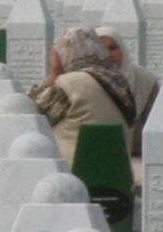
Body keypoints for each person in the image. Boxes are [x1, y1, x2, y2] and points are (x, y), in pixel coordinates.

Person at [30, 26, 155, 169]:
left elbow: (32, 113)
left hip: (75, 171)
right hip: (115, 171)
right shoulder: (118, 81)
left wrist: (55, 73)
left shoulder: (71, 84)